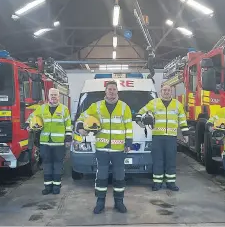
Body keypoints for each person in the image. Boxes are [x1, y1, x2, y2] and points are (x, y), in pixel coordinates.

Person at [75, 80, 132, 214]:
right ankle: (100, 202)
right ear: (105, 91)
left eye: (114, 89)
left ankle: (119, 202)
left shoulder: (125, 107)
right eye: (109, 89)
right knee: (101, 177)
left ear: (117, 91)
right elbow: (82, 117)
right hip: (102, 148)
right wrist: (79, 127)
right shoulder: (96, 106)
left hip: (119, 149)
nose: (112, 91)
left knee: (119, 177)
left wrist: (128, 142)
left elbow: (128, 126)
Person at [136, 84, 188, 191]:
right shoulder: (154, 103)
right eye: (164, 90)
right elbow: (141, 112)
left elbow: (182, 120)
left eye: (168, 90)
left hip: (171, 137)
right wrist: (140, 120)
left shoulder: (177, 104)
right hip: (157, 137)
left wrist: (185, 134)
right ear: (161, 91)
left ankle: (171, 183)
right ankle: (157, 183)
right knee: (158, 160)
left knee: (171, 160)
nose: (166, 92)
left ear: (171, 92)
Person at [26, 88, 72, 195]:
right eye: (51, 95)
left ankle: (56, 186)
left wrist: (68, 138)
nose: (53, 97)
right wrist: (28, 125)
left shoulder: (64, 109)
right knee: (46, 165)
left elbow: (68, 125)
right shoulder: (42, 109)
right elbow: (32, 117)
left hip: (59, 143)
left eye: (55, 95)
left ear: (59, 96)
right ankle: (47, 187)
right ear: (48, 96)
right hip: (45, 143)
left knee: (57, 165)